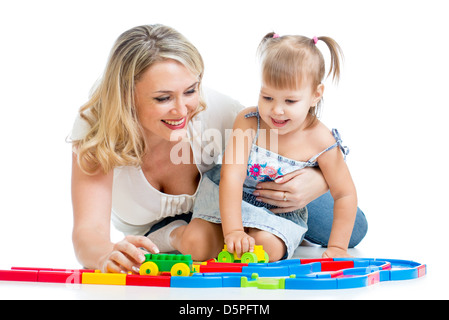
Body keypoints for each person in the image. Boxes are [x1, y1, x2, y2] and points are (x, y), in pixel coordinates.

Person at [70, 25, 341, 273]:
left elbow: (290, 138)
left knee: (353, 230)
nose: (181, 110)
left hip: (240, 199)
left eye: (190, 90)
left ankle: (276, 231)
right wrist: (105, 254)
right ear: (126, 94)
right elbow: (89, 230)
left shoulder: (219, 112)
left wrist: (318, 178)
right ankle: (177, 236)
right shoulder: (97, 128)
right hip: (157, 229)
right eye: (163, 98)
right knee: (198, 243)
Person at [191, 33, 363, 261]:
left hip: (277, 214)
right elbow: (231, 176)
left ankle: (276, 238)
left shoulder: (322, 141)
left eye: (290, 101)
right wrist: (233, 231)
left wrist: (338, 248)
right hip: (232, 205)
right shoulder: (250, 120)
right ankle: (170, 233)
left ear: (315, 94)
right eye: (267, 97)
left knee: (265, 248)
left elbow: (345, 194)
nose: (276, 110)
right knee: (195, 243)